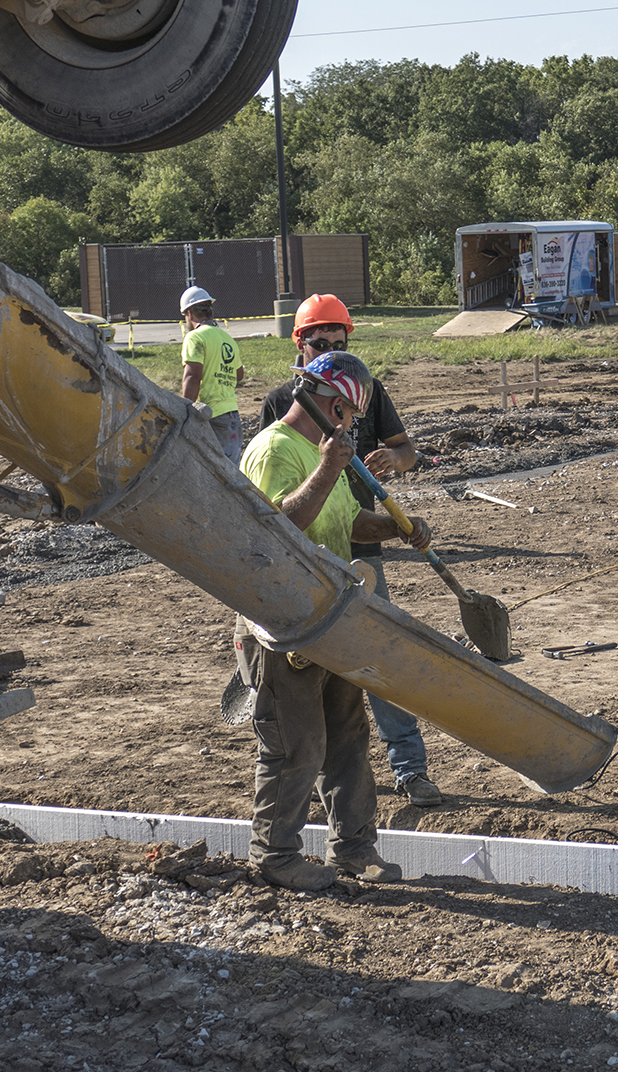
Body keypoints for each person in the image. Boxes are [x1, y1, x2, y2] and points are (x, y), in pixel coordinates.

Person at [239, 351, 433, 891]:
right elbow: (279, 530)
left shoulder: (327, 454)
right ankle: (274, 856)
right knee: (296, 744)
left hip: (331, 618)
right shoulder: (276, 449)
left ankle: (353, 849)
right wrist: (329, 466)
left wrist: (397, 529)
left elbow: (347, 524)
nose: (351, 426)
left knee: (347, 737)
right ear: (332, 405)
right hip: (282, 625)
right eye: (348, 415)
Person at [259, 294, 443, 808]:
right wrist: (326, 468)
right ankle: (316, 779)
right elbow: (276, 509)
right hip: (305, 563)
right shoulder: (281, 411)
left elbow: (407, 449)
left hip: (356, 535)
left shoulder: (364, 385)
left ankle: (408, 766)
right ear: (301, 343)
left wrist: (397, 466)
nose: (334, 348)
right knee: (312, 680)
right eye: (323, 343)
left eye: (341, 342)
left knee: (376, 657)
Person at [179, 286, 245, 460]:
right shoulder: (227, 339)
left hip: (211, 416)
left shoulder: (195, 337)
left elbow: (193, 376)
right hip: (233, 417)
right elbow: (239, 374)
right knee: (231, 473)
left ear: (189, 314)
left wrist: (185, 410)